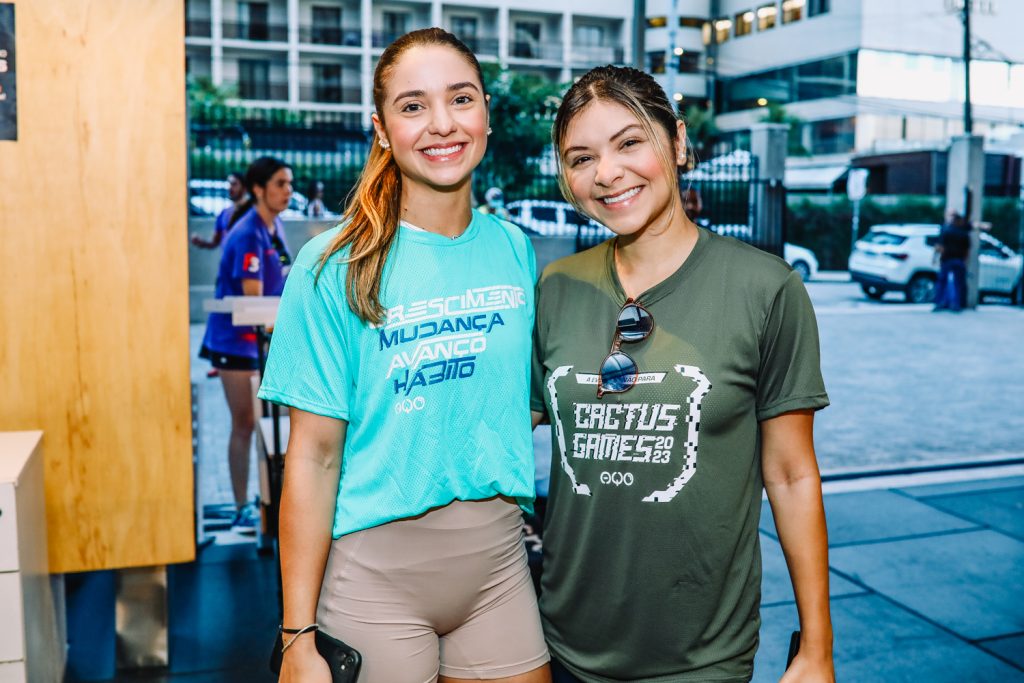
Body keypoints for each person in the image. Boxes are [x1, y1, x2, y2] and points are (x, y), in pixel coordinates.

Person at [257, 28, 551, 683]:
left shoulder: (514, 248)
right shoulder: (332, 264)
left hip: (499, 565)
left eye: (461, 98)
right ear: (382, 129)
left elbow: (513, 400)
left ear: (486, 114)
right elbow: (312, 456)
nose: (442, 123)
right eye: (413, 106)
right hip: (374, 577)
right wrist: (296, 634)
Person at [531, 66, 834, 683]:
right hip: (559, 643)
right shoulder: (557, 286)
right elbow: (498, 429)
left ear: (677, 141)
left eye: (629, 143)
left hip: (702, 659)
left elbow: (792, 474)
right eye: (581, 158)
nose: (606, 173)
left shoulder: (766, 288)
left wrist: (817, 649)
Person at [199, 157, 294, 531]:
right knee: (244, 423)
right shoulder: (247, 234)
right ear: (259, 189)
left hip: (261, 343)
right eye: (280, 184)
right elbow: (254, 302)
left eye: (289, 184)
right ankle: (241, 506)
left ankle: (271, 502)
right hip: (236, 344)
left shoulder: (274, 226)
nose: (288, 191)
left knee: (270, 422)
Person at [191, 171, 249, 249]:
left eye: (234, 184)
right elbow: (214, 241)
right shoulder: (224, 214)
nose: (230, 188)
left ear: (245, 188)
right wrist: (201, 242)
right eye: (229, 184)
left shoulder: (252, 213)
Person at [933, 212, 971, 312]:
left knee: (942, 282)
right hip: (959, 260)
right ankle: (956, 304)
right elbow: (967, 251)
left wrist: (937, 258)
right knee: (958, 283)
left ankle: (939, 302)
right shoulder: (964, 234)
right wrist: (965, 262)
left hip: (947, 259)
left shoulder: (947, 231)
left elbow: (940, 247)